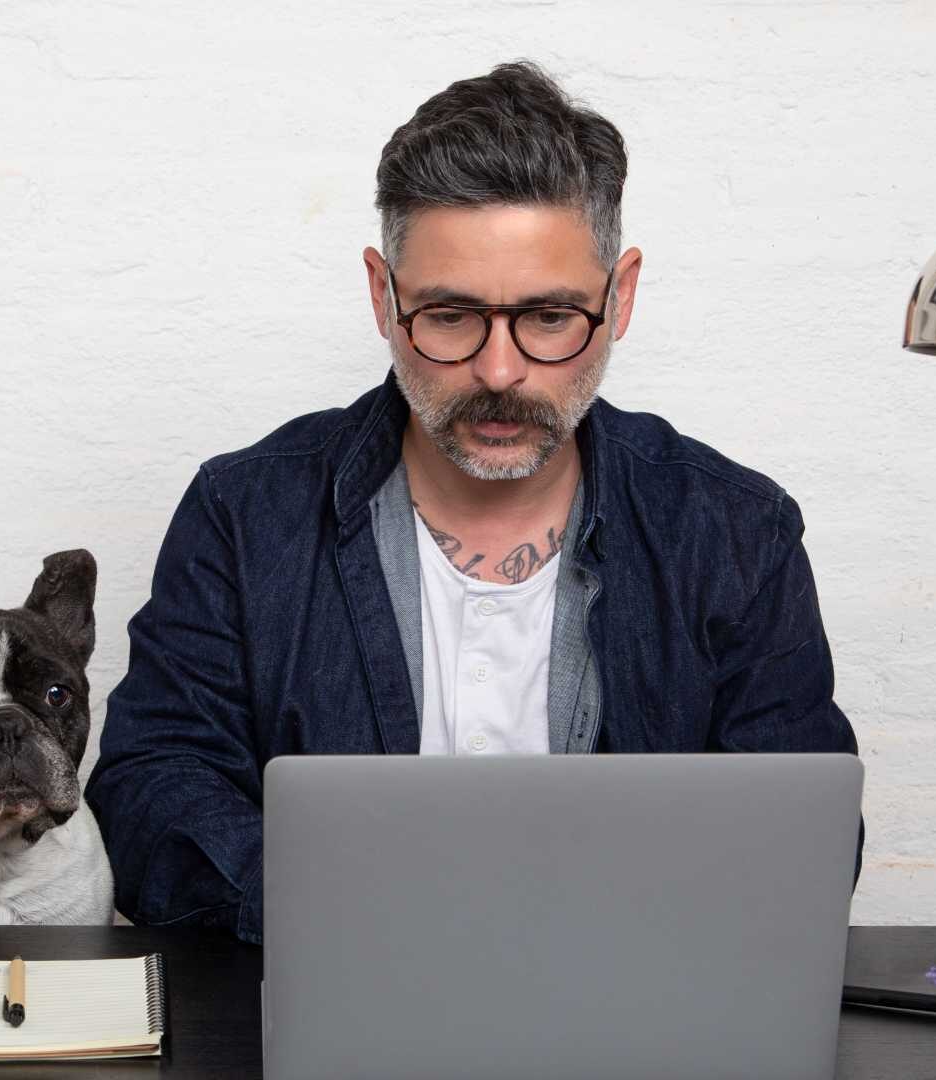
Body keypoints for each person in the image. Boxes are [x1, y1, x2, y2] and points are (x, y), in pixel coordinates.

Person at [86, 60, 859, 944]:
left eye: (550, 317)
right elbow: (152, 787)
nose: (500, 372)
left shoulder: (735, 531)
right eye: (449, 316)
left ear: (623, 295)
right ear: (383, 296)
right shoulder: (244, 510)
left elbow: (810, 838)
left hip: (637, 1016)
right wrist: (352, 913)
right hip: (342, 1005)